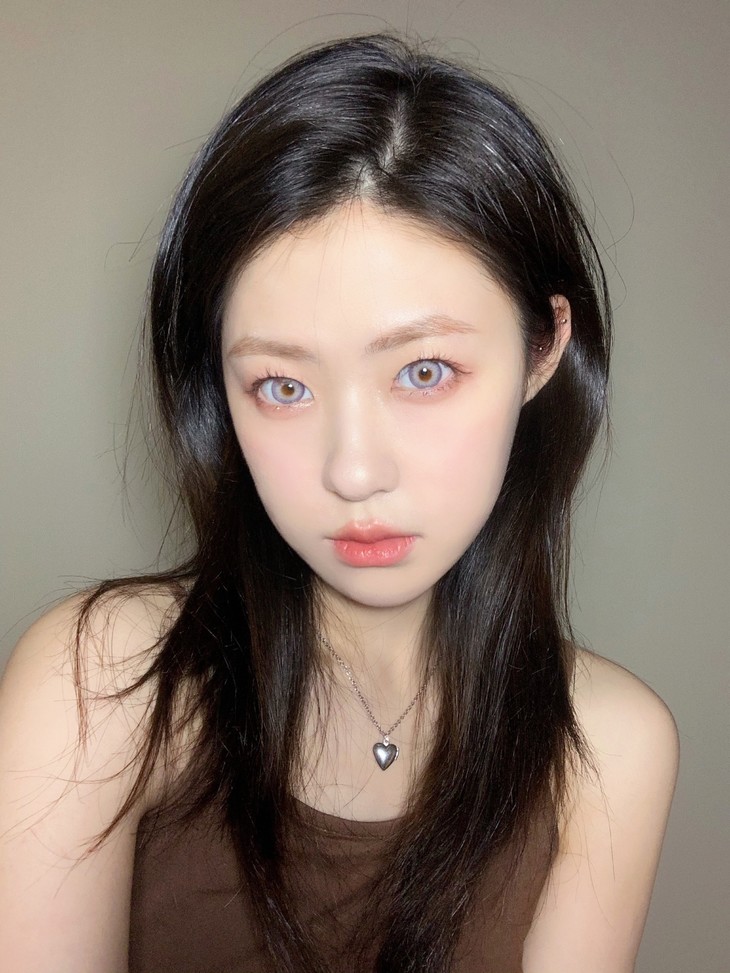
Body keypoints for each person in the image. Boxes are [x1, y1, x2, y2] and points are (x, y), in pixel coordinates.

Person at [0, 32, 678, 973]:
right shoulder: (103, 686)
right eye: (282, 386)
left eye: (424, 371)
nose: (353, 471)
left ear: (541, 352)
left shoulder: (609, 747)